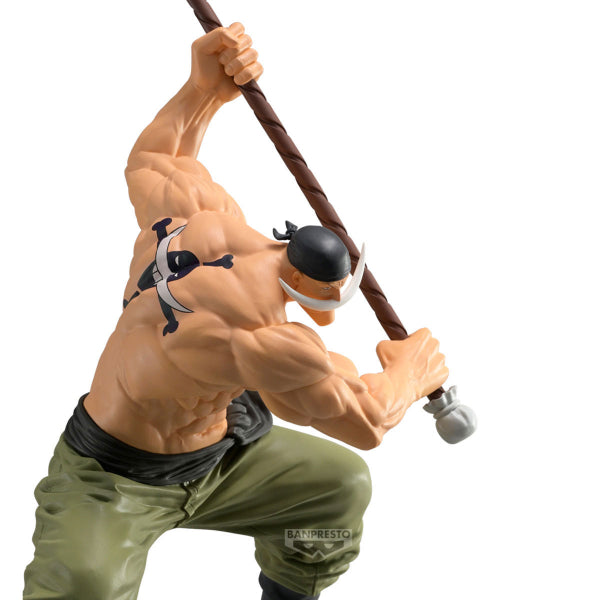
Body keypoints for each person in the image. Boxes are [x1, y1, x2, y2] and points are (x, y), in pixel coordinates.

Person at [23, 23, 449, 600]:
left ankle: (289, 588)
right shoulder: (253, 338)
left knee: (335, 491)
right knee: (85, 583)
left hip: (222, 460)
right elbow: (366, 420)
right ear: (310, 289)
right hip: (117, 481)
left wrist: (202, 90)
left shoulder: (202, 220)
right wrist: (410, 373)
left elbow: (156, 157)